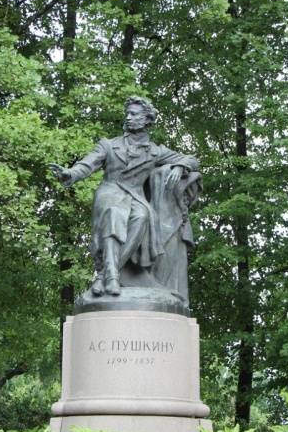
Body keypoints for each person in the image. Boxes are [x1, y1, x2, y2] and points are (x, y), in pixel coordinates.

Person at [49, 97, 200, 298]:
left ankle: (104, 275)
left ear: (147, 120)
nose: (128, 117)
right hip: (109, 191)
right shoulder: (109, 145)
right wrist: (70, 174)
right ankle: (112, 276)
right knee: (114, 213)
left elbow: (192, 160)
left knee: (142, 217)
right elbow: (87, 165)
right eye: (127, 114)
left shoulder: (155, 151)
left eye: (134, 114)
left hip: (135, 197)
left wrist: (180, 166)